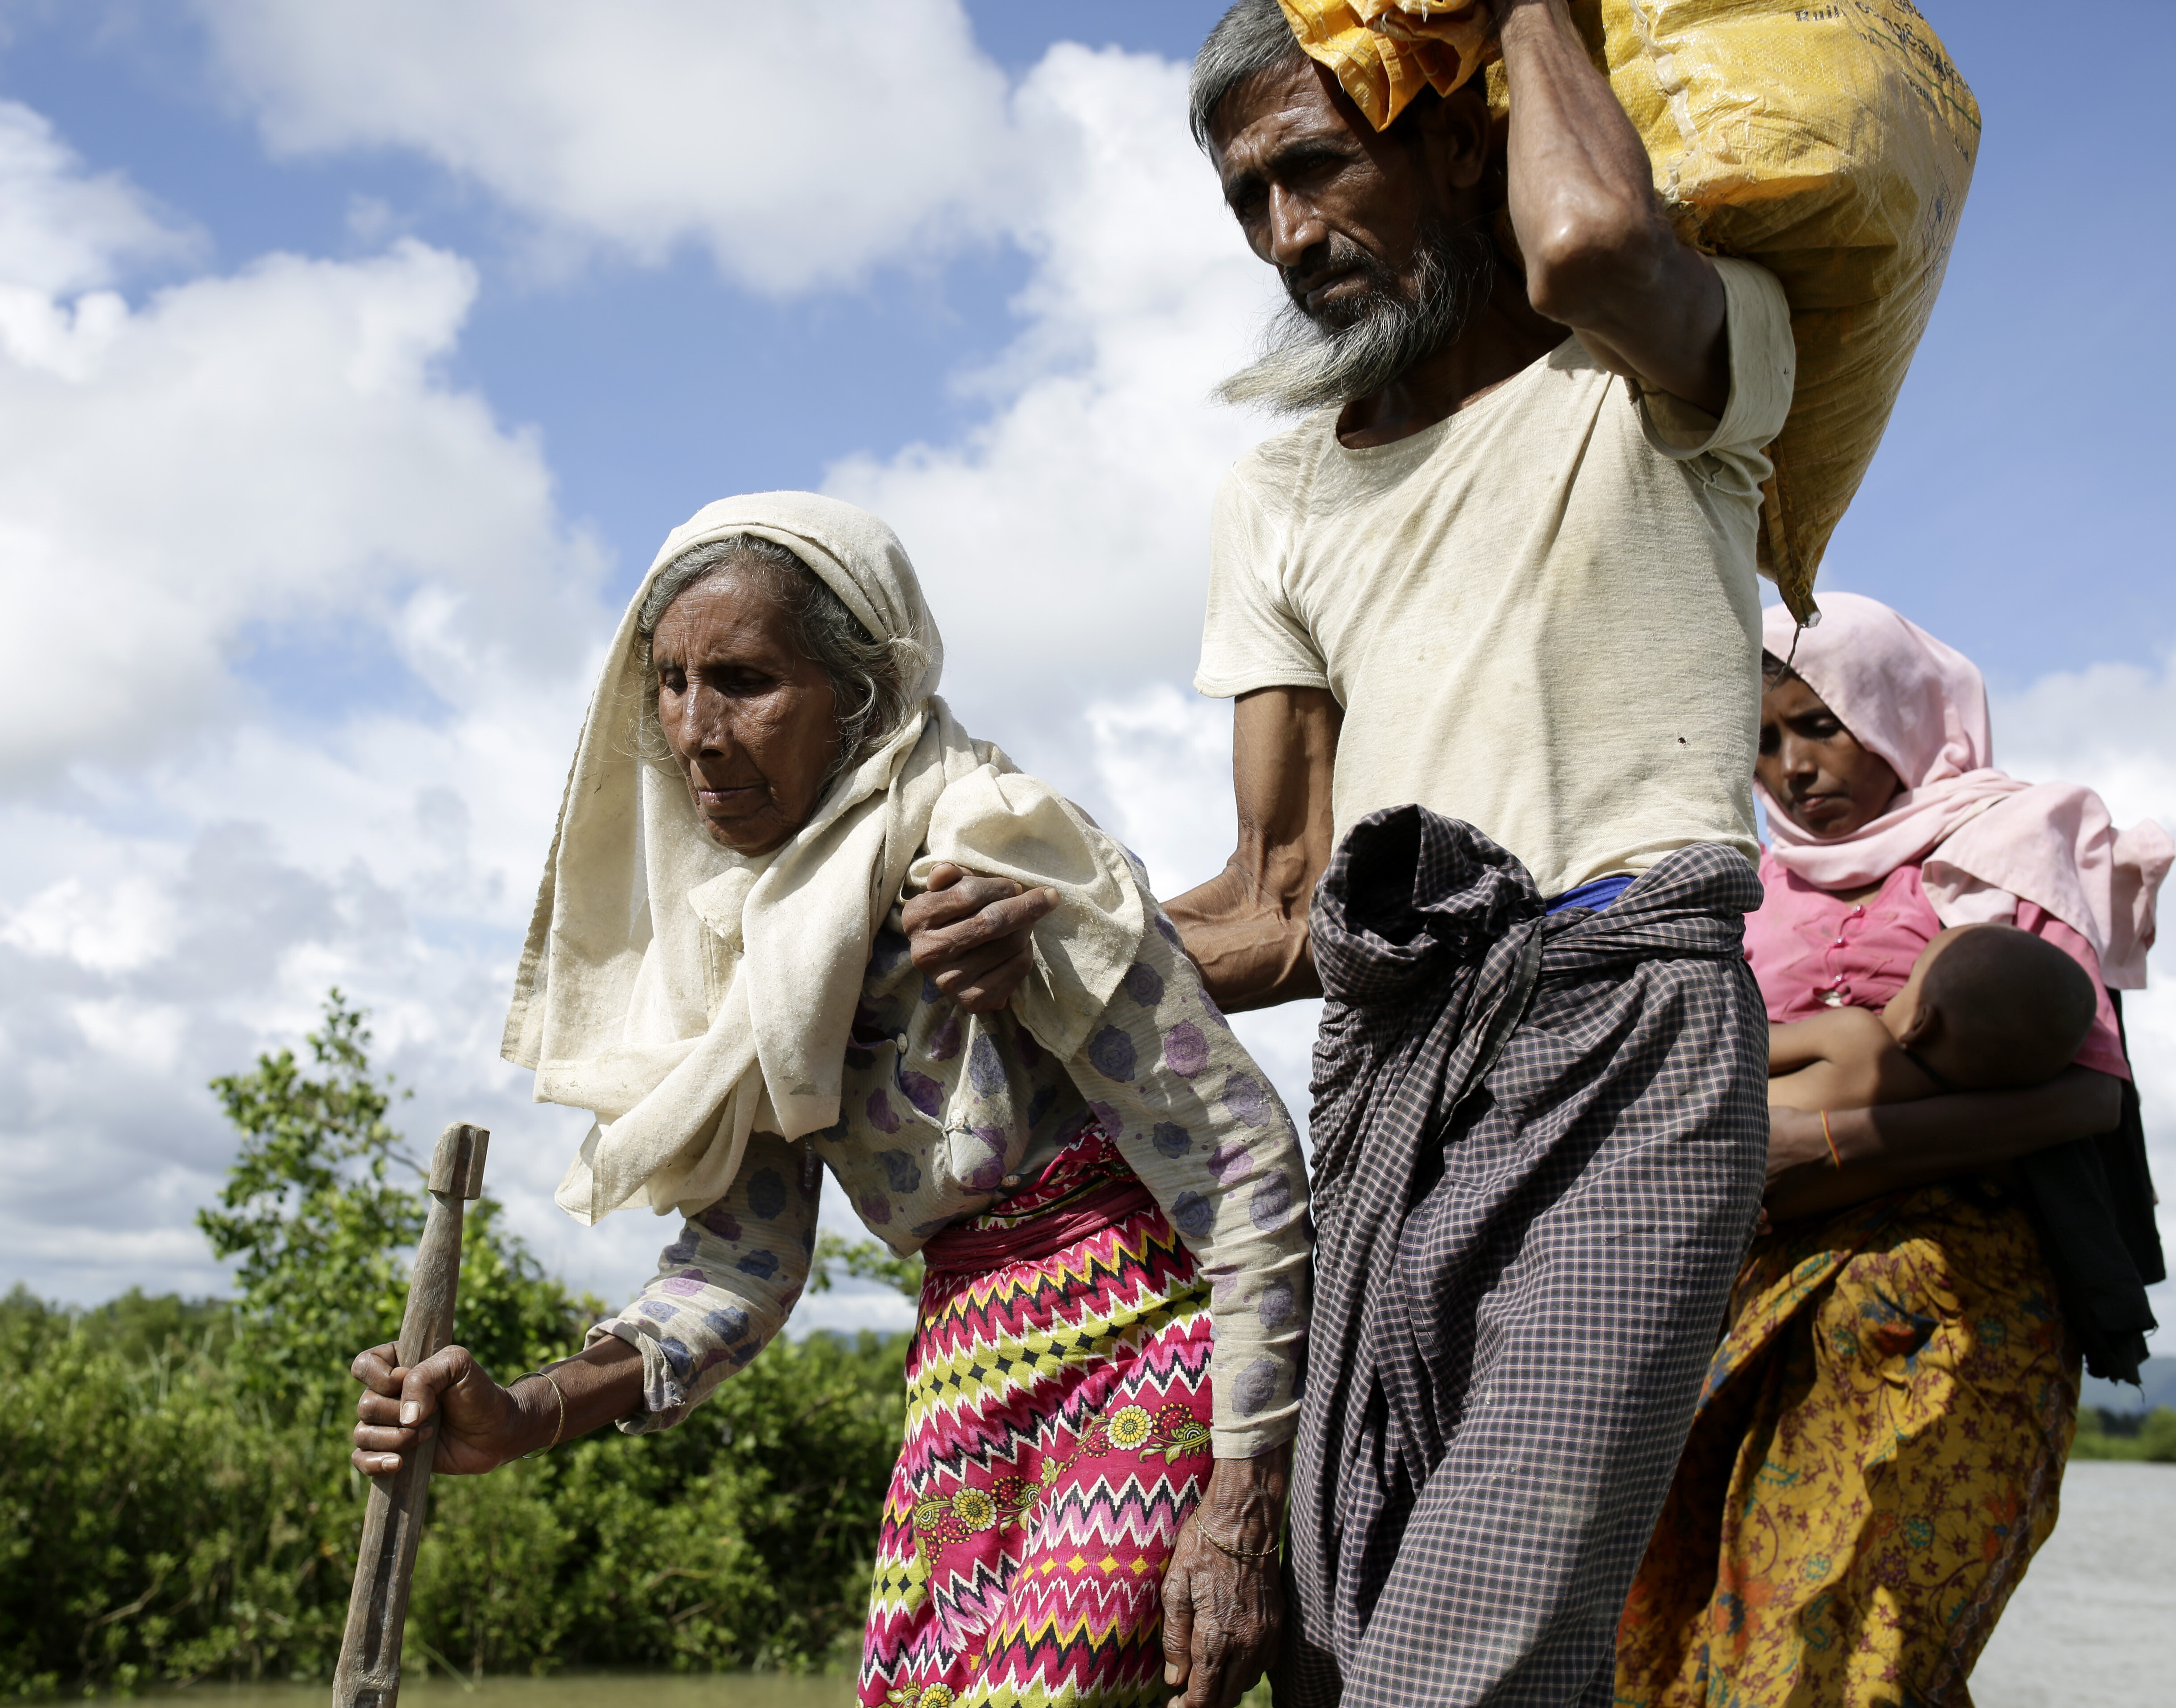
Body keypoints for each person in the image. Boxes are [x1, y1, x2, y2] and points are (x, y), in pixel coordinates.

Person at [911, 3, 1795, 1700]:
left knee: (1462, 1654)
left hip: (1624, 1040)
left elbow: (1596, 236)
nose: (1283, 237)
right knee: (1335, 1646)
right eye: (1246, 200)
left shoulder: (1662, 362)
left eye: (1316, 166)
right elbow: (1275, 899)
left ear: (1459, 138)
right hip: (1383, 1066)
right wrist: (1041, 943)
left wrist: (1524, 8)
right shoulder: (1281, 494)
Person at [351, 493, 1313, 1708]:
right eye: (671, 683)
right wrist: (520, 1414)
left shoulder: (996, 850)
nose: (696, 731)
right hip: (969, 1369)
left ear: (860, 695)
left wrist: (1243, 1491)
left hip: (1155, 1339)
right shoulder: (746, 943)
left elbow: (1240, 1165)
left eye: (746, 680)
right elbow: (738, 1270)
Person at [1615, 590, 2170, 1707]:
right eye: (1760, 740)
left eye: (1817, 723)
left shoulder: (2006, 846)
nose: (1788, 768)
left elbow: (2081, 1104)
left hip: (1946, 1301)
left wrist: (1813, 1140)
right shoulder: (1743, 890)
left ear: (1896, 706)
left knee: (1843, 1645)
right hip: (1749, 1303)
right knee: (1679, 1647)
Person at [1766, 922, 2097, 1113]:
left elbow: (1737, 1046)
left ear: (1920, 1025)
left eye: (1909, 980)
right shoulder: (1953, 1125)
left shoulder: (1856, 1038)